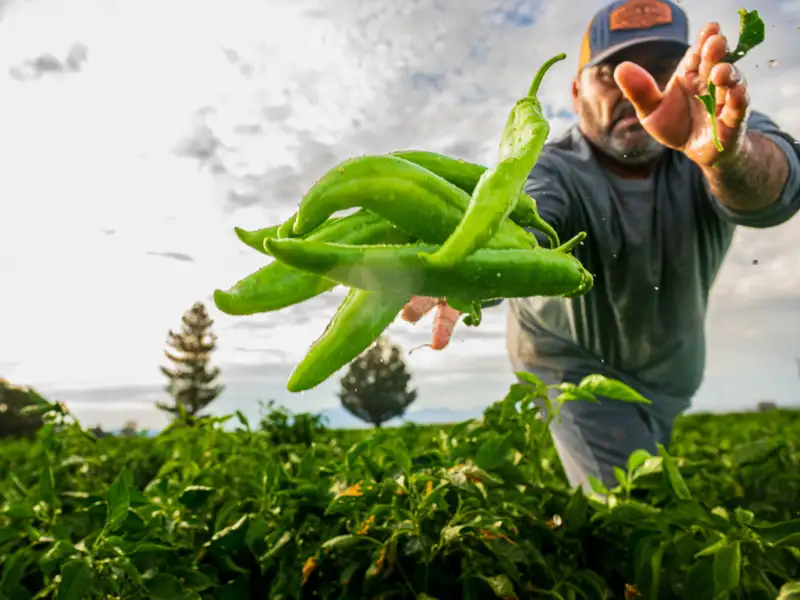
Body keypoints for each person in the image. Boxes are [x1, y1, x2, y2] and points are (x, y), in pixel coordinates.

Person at [401, 0, 800, 492]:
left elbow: (777, 189)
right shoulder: (555, 168)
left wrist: (728, 157)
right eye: (612, 74)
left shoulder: (718, 125)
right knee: (636, 504)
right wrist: (468, 261)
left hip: (671, 374)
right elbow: (528, 220)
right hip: (568, 363)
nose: (642, 90)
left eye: (664, 68)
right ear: (575, 92)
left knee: (647, 480)